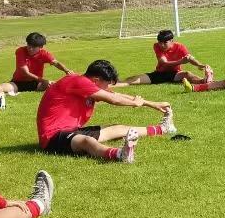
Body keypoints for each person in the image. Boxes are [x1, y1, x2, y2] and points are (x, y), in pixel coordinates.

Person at [37, 60, 176, 162]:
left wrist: (152, 104)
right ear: (96, 80)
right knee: (87, 141)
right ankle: (120, 154)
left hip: (72, 130)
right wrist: (135, 103)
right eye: (107, 83)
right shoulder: (78, 81)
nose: (108, 87)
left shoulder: (87, 83)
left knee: (118, 128)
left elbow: (115, 95)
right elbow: (113, 99)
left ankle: (163, 129)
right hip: (52, 138)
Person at [121, 29, 213, 87]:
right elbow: (163, 63)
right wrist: (181, 61)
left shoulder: (180, 47)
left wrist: (200, 65)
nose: (162, 45)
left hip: (175, 74)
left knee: (187, 74)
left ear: (172, 41)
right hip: (159, 74)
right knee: (133, 80)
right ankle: (116, 83)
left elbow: (189, 58)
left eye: (165, 42)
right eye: (160, 42)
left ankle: (205, 81)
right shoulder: (156, 46)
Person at [0, 32, 74, 94]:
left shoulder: (44, 54)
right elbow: (25, 72)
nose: (30, 49)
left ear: (41, 47)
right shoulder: (20, 51)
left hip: (36, 83)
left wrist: (66, 70)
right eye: (29, 45)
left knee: (55, 86)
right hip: (18, 82)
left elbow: (56, 63)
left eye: (33, 47)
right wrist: (43, 80)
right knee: (0, 89)